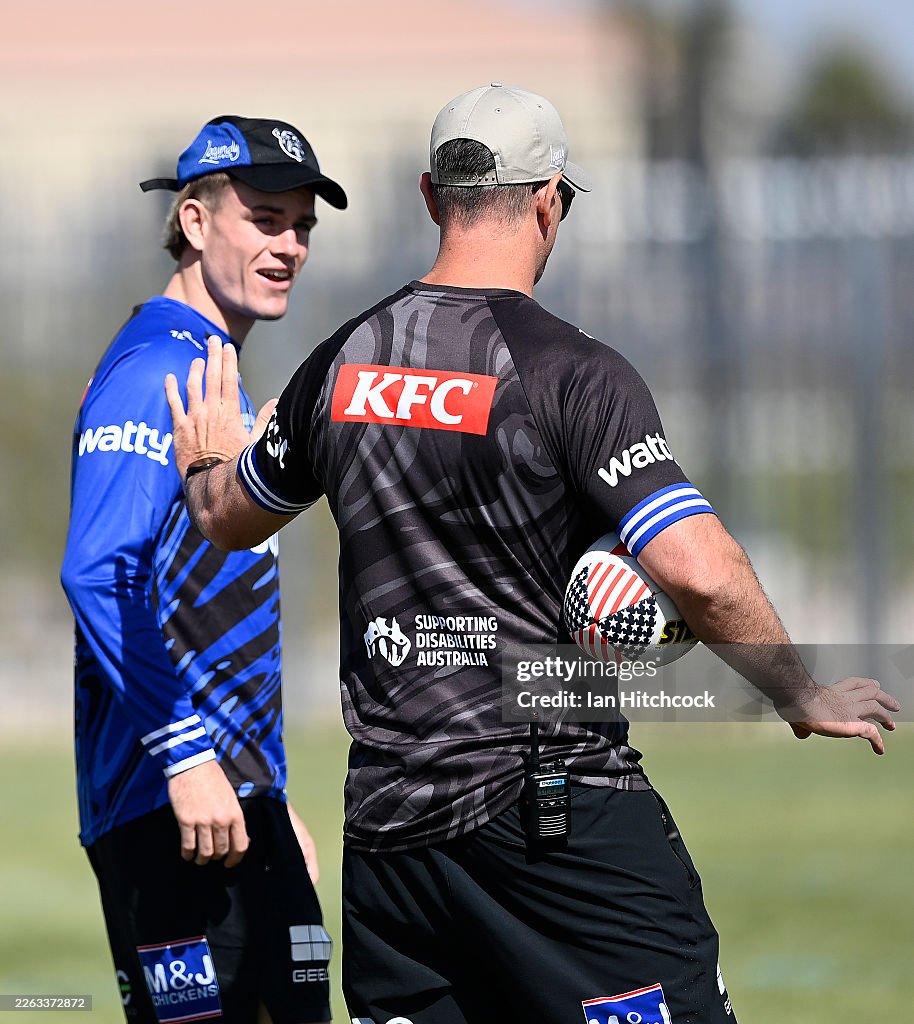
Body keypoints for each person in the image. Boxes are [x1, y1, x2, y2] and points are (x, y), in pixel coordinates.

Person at [164, 87, 899, 1024]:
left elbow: (228, 517)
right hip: (550, 822)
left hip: (392, 845)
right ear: (550, 200)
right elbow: (701, 570)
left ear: (434, 198)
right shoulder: (572, 373)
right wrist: (802, 694)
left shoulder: (339, 362)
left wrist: (200, 462)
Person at [60, 114, 347, 1024]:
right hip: (169, 807)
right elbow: (97, 574)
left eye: (302, 225)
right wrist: (187, 760)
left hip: (236, 803)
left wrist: (268, 797)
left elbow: (211, 602)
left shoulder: (213, 370)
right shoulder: (156, 372)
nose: (290, 245)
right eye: (265, 218)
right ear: (194, 220)